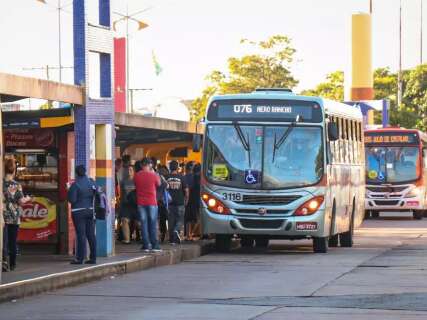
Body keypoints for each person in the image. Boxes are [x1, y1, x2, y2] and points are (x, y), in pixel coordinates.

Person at [2, 158, 31, 271]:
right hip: (14, 217)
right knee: (13, 241)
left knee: (3, 241)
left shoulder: (1, 183)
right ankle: (12, 264)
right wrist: (28, 198)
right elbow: (21, 201)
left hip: (3, 217)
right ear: (14, 170)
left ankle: (4, 262)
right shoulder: (16, 185)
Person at [67, 165, 97, 264]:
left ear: (76, 173)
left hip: (78, 212)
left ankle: (80, 259)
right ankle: (93, 258)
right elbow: (97, 192)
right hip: (90, 211)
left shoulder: (75, 185)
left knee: (81, 235)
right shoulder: (91, 182)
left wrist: (68, 190)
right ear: (85, 172)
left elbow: (72, 200)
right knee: (91, 234)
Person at [134, 157, 161, 252]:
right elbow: (159, 184)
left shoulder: (136, 175)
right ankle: (154, 245)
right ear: (150, 165)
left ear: (141, 165)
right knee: (152, 223)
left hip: (141, 202)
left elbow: (136, 185)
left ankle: (146, 245)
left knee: (143, 224)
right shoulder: (154, 175)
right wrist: (154, 173)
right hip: (152, 202)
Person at [166, 160, 189, 244]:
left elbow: (163, 190)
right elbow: (186, 190)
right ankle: (176, 230)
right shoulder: (182, 177)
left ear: (170, 167)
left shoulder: (166, 177)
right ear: (177, 167)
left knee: (171, 221)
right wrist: (186, 200)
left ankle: (172, 240)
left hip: (170, 203)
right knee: (180, 219)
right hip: (180, 202)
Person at [119, 165, 136, 244]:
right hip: (126, 204)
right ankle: (127, 239)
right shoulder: (123, 181)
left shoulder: (136, 181)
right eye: (128, 170)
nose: (129, 171)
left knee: (140, 223)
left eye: (131, 170)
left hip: (135, 204)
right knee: (124, 220)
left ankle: (145, 239)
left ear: (134, 171)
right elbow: (121, 193)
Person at [188, 163, 201, 240]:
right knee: (198, 218)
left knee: (192, 218)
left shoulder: (191, 177)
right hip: (199, 200)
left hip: (191, 199)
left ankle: (191, 234)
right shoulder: (201, 178)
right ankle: (193, 234)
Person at [157, 165, 170, 243]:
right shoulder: (165, 178)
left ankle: (162, 234)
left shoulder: (158, 176)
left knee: (160, 219)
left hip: (158, 201)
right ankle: (164, 234)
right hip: (164, 201)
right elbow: (167, 186)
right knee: (164, 219)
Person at [184, 161, 195, 239]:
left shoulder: (184, 177)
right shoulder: (194, 177)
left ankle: (188, 234)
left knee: (187, 218)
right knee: (193, 217)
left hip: (186, 199)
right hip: (193, 199)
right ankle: (190, 234)